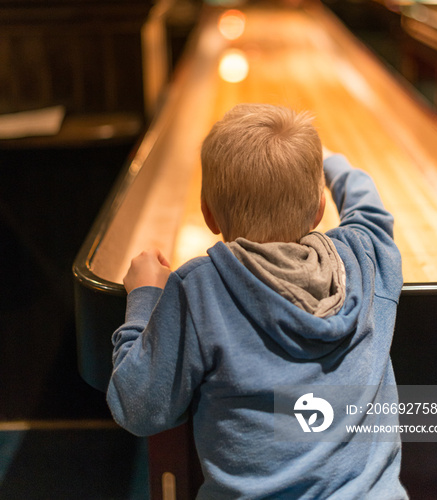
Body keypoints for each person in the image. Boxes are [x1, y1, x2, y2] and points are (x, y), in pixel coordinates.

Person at [107, 103, 408, 500]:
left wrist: (146, 297)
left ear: (208, 215)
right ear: (320, 208)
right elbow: (370, 209)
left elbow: (138, 406)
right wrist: (330, 162)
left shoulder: (200, 289)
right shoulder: (364, 256)